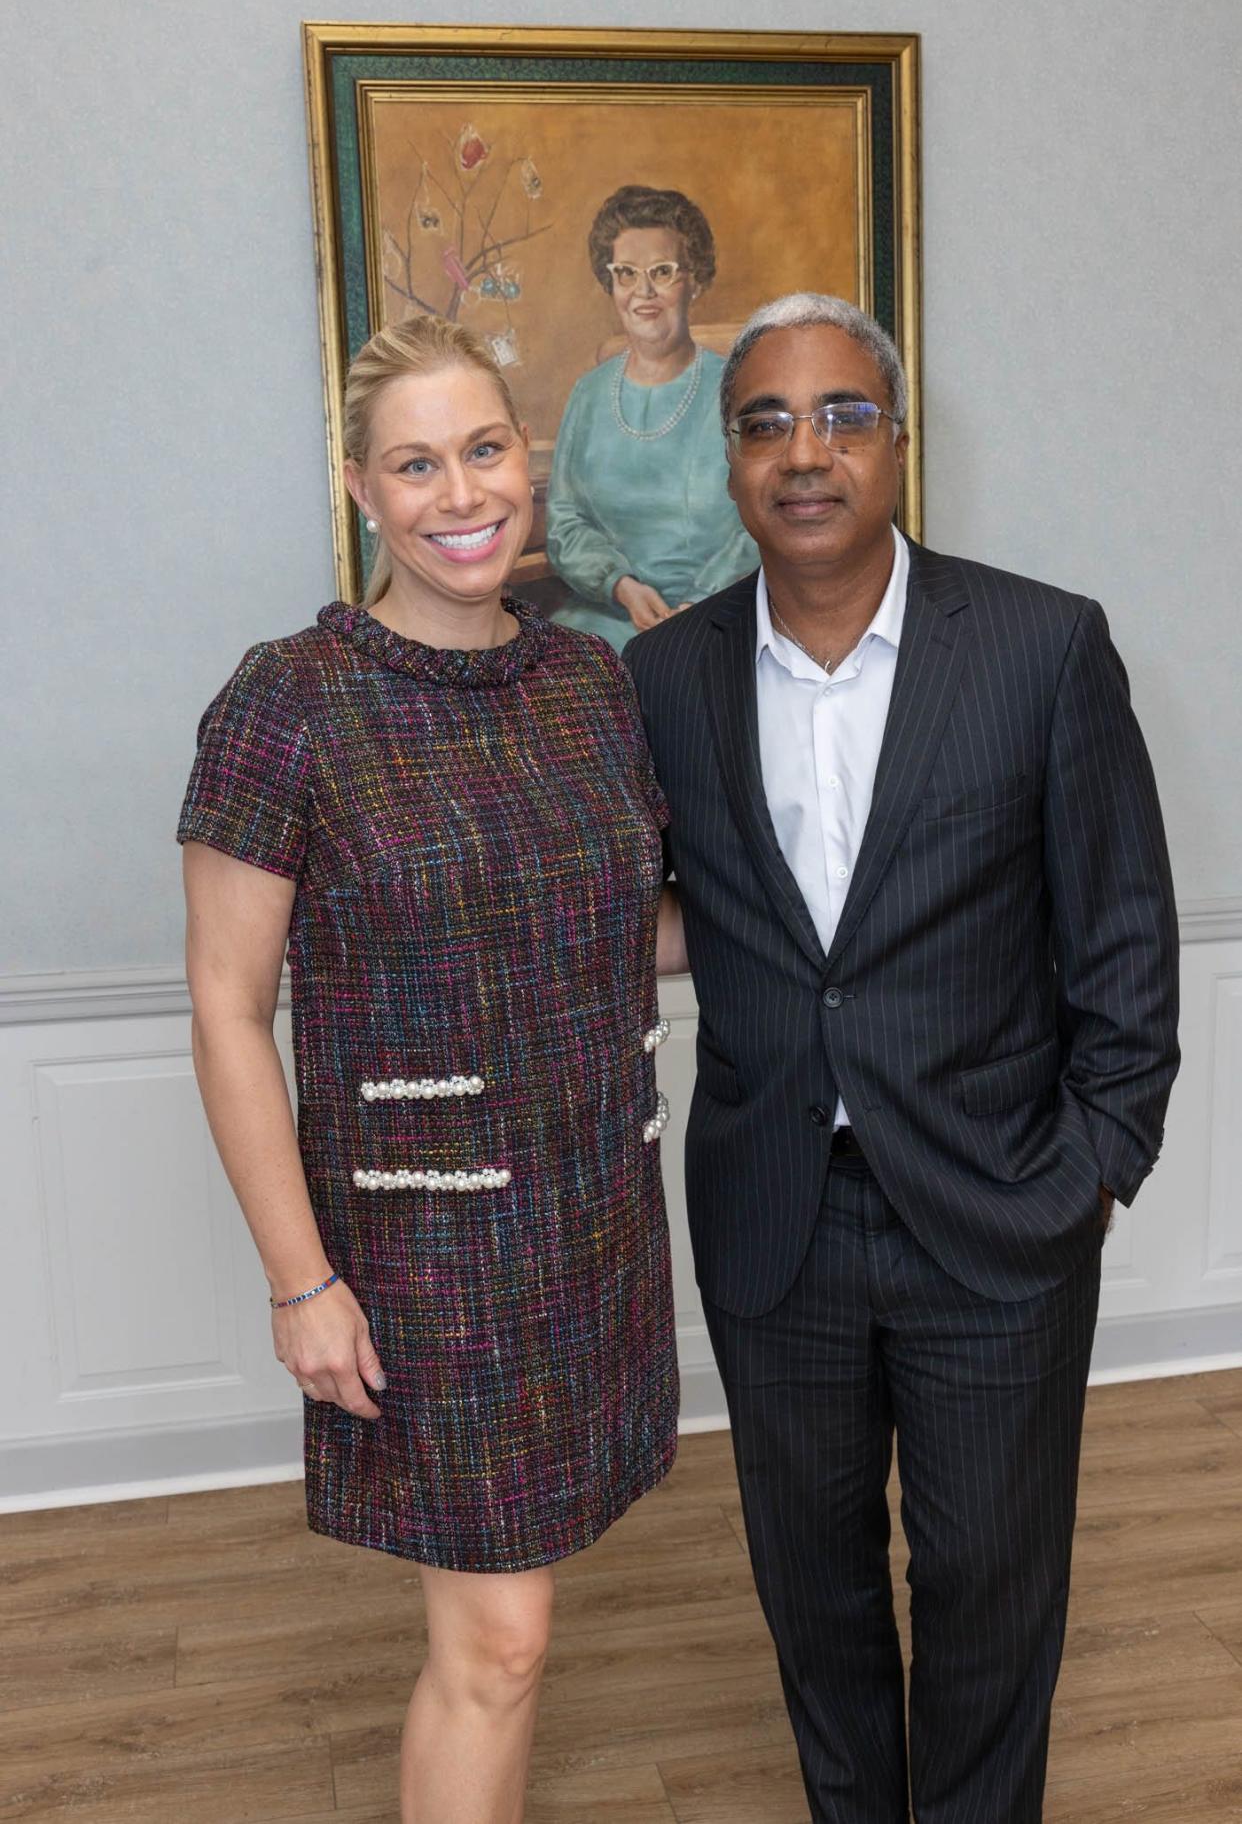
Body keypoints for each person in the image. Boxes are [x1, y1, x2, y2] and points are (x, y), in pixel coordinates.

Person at [624, 292, 1180, 1823]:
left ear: (896, 442)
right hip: (772, 1218)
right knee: (812, 1596)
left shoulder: (1036, 645)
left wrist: (1093, 1170)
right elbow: (636, 909)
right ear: (729, 458)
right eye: (766, 422)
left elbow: (1123, 933)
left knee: (991, 1593)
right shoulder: (657, 683)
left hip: (998, 1214)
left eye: (841, 416)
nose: (805, 452)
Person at [178, 315, 684, 1824]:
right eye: (414, 463)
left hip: (592, 1225)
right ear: (360, 486)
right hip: (422, 1253)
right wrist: (298, 1277)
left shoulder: (590, 687)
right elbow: (223, 1001)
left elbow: (621, 935)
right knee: (501, 1640)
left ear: (526, 460)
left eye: (481, 449)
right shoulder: (288, 700)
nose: (457, 492)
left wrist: (854, 920)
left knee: (515, 1632)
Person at [545, 183, 757, 650]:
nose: (642, 292)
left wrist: (702, 603)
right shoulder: (588, 394)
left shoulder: (739, 391)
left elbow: (760, 519)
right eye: (626, 273)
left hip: (718, 619)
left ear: (695, 279)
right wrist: (622, 586)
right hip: (606, 615)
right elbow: (564, 522)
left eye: (662, 272)